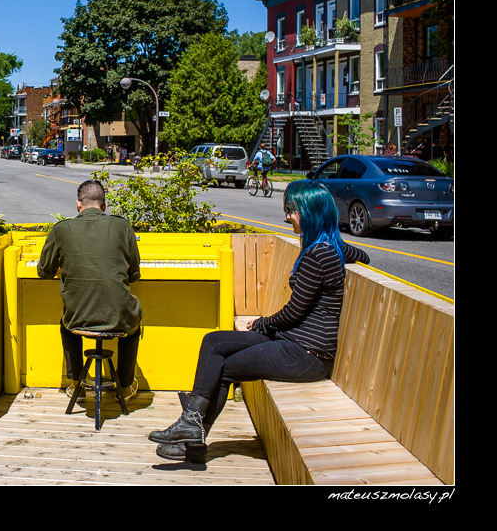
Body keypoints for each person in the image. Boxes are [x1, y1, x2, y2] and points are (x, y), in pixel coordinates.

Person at [147, 180, 370, 463]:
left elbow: (294, 312)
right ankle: (191, 424)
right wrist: (266, 325)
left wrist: (262, 323)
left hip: (307, 354)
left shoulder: (319, 254)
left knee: (225, 368)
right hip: (293, 341)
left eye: (293, 210)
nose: (287, 216)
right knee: (213, 342)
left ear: (311, 213)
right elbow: (362, 256)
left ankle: (193, 440)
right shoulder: (328, 247)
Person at [36, 180, 143, 400]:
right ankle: (124, 386)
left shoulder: (61, 230)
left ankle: (77, 384)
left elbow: (43, 271)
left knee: (67, 325)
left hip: (78, 317)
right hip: (118, 317)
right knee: (132, 327)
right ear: (104, 206)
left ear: (78, 205)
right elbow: (134, 273)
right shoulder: (123, 227)